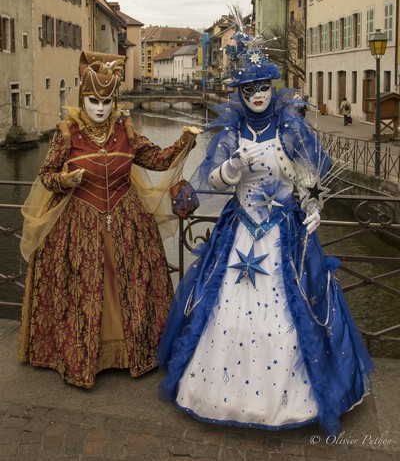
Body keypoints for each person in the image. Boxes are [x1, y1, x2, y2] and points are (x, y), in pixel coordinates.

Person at [158, 27, 373, 436]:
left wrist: (313, 209)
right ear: (238, 92)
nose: (257, 94)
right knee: (220, 309)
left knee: (294, 315)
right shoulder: (230, 133)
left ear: (273, 88)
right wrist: (233, 167)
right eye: (248, 88)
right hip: (239, 230)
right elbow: (214, 182)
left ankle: (294, 401)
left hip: (285, 237)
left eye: (263, 87)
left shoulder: (292, 129)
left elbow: (310, 181)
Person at [18, 50, 201, 388]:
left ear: (114, 101)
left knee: (129, 280)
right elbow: (46, 175)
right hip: (77, 222)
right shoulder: (67, 134)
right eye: (92, 100)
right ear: (82, 98)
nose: (100, 108)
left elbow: (158, 161)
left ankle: (134, 352)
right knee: (82, 285)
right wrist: (65, 180)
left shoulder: (126, 133)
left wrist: (185, 139)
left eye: (106, 101)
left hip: (127, 219)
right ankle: (81, 356)